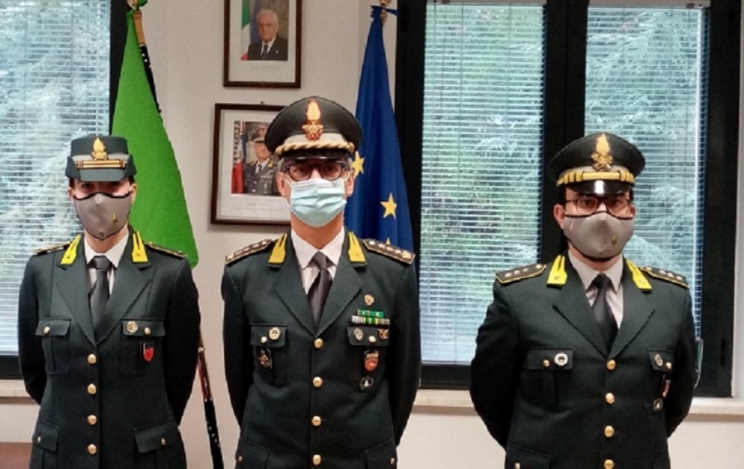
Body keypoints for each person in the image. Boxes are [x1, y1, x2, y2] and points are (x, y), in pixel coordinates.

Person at [470, 132, 697, 469]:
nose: (602, 215)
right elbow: (491, 396)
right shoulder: (519, 298)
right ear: (560, 214)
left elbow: (676, 401)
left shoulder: (671, 300)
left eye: (616, 202)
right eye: (586, 203)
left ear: (632, 211)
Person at [222, 96, 421, 468]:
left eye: (330, 169)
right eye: (301, 169)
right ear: (282, 183)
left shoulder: (392, 275)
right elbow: (241, 386)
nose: (316, 180)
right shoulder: (245, 275)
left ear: (349, 181)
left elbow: (402, 386)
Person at [18, 135, 201, 468]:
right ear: (71, 194)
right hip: (63, 456)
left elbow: (178, 380)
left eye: (112, 186)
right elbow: (35, 374)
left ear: (132, 190)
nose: (99, 199)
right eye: (87, 188)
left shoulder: (169, 274)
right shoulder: (42, 272)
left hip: (142, 458)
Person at [243, 127, 278, 196]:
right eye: (259, 145)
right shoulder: (247, 168)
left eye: (266, 145)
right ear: (255, 147)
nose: (263, 148)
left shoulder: (277, 169)